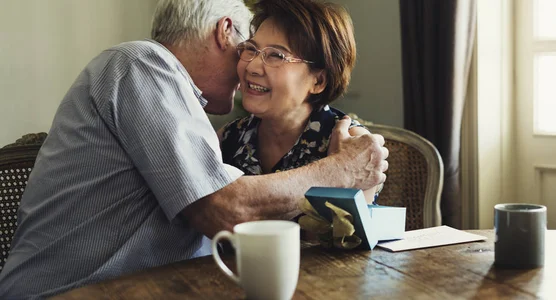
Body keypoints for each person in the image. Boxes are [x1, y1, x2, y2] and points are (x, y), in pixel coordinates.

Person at [0, 0, 388, 298]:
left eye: (274, 55)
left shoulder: (191, 114)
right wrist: (340, 172)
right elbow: (226, 211)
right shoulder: (141, 64)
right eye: (248, 48)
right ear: (225, 32)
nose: (248, 67)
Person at [220, 0, 381, 202]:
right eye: (252, 49)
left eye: (276, 56)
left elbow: (349, 233)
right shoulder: (228, 138)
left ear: (318, 81)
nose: (252, 67)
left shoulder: (351, 147)